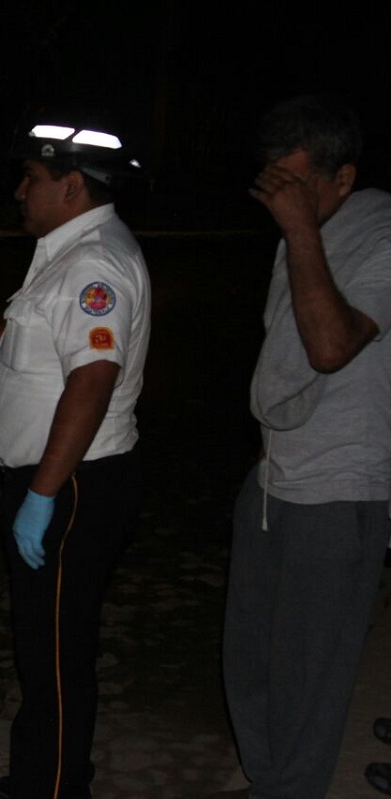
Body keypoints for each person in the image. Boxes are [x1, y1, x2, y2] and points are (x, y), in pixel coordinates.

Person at [216, 94, 391, 799]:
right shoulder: (314, 222)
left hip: (340, 489)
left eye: (295, 186)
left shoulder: (377, 235)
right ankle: (270, 782)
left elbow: (329, 346)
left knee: (306, 681)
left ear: (341, 179)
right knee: (249, 664)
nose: (279, 201)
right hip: (273, 479)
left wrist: (299, 232)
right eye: (272, 185)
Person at [0, 109, 151, 799]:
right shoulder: (66, 251)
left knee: (53, 655)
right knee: (44, 646)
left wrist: (43, 495)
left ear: (72, 187)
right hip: (56, 478)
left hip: (72, 481)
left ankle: (52, 788)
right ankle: (39, 774)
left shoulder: (94, 264)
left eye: (32, 178)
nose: (21, 191)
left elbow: (92, 378)